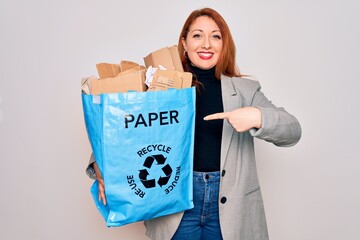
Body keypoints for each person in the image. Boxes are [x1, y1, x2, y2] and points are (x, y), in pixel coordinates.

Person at [86, 7, 301, 240]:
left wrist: (257, 116)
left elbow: (292, 130)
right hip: (176, 204)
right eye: (197, 35)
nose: (206, 44)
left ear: (224, 44)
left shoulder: (245, 91)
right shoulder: (162, 88)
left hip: (230, 208)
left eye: (216, 36)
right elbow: (122, 131)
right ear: (184, 44)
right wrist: (99, 163)